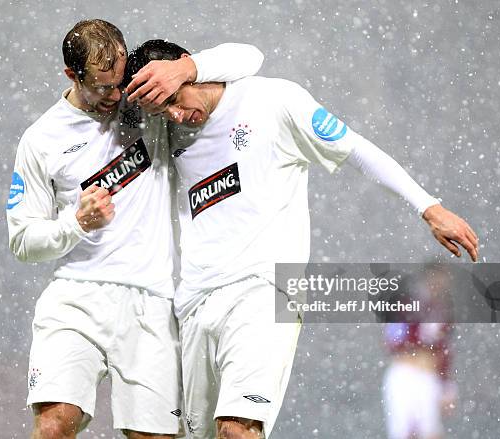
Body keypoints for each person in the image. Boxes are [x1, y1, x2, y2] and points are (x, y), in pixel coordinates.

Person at [124, 40, 478, 439]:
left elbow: (356, 149)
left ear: (187, 72)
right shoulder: (166, 131)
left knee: (236, 429)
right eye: (162, 110)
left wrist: (428, 207)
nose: (175, 114)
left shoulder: (273, 101)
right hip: (194, 301)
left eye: (175, 97)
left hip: (263, 290)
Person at [6, 19, 264, 439]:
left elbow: (249, 58)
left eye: (119, 82)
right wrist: (74, 222)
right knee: (55, 423)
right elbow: (22, 241)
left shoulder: (145, 104)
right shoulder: (41, 140)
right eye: (101, 87)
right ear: (72, 75)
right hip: (77, 299)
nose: (114, 96)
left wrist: (186, 68)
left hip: (153, 303)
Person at [382, 266, 457, 439]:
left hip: (428, 377)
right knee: (403, 432)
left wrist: (447, 386)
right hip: (405, 374)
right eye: (434, 281)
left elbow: (444, 350)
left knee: (430, 432)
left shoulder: (443, 312)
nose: (437, 286)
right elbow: (393, 341)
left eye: (442, 283)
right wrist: (416, 343)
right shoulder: (406, 305)